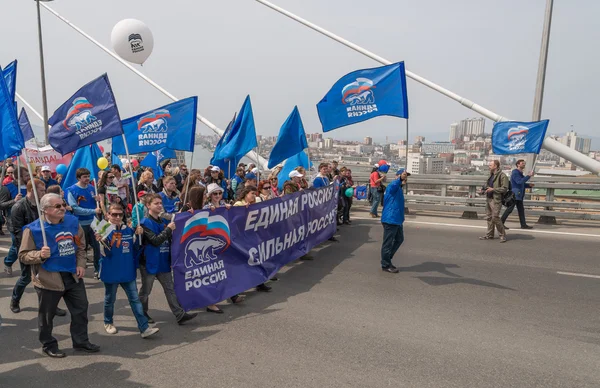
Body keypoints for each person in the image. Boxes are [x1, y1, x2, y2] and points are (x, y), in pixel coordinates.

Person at [19, 193, 100, 358]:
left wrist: (80, 264)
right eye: (57, 206)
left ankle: (81, 341)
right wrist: (39, 255)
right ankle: (48, 344)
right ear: (45, 210)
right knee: (47, 316)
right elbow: (23, 255)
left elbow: (80, 246)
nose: (63, 208)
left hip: (72, 276)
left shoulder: (72, 222)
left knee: (81, 310)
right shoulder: (33, 229)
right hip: (49, 279)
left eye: (62, 204)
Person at [97, 203, 160, 338]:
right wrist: (102, 242)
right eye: (114, 214)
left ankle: (144, 328)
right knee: (110, 299)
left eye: (120, 214)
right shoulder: (102, 228)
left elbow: (135, 249)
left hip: (127, 270)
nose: (117, 217)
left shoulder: (128, 229)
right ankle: (108, 322)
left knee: (135, 300)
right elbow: (105, 253)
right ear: (108, 214)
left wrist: (139, 236)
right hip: (111, 270)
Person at [9, 179, 68, 316]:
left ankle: (51, 305)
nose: (44, 192)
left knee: (49, 277)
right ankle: (15, 300)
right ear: (32, 191)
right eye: (41, 190)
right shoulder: (18, 207)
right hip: (29, 248)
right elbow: (17, 232)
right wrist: (28, 250)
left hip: (45, 247)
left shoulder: (41, 205)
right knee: (26, 277)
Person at [139, 194, 197, 324]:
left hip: (163, 261)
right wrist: (169, 230)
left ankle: (179, 314)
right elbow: (155, 241)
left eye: (160, 203)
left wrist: (187, 213)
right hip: (150, 262)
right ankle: (142, 313)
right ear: (148, 206)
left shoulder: (163, 220)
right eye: (156, 203)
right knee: (146, 291)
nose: (160, 205)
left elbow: (177, 218)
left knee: (170, 289)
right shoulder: (144, 223)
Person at [66, 168, 103, 279]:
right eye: (85, 177)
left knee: (98, 247)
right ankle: (79, 269)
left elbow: (98, 206)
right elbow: (75, 208)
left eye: (88, 176)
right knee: (82, 248)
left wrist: (99, 200)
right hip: (80, 224)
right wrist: (93, 211)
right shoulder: (71, 190)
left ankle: (98, 270)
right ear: (78, 178)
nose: (87, 178)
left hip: (94, 223)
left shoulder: (92, 188)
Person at [233, 186, 272, 292]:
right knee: (245, 262)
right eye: (252, 193)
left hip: (253, 235)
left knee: (256, 259)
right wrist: (243, 211)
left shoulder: (254, 205)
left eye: (255, 194)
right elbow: (235, 220)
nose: (254, 196)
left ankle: (260, 282)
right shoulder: (238, 205)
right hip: (242, 237)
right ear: (246, 194)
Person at [380, 169, 410, 273]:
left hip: (397, 219)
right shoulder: (392, 186)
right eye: (403, 175)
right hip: (390, 219)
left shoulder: (398, 188)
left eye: (406, 176)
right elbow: (393, 186)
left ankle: (387, 257)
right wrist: (400, 179)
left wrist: (401, 183)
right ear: (397, 176)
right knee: (387, 243)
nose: (405, 178)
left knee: (399, 239)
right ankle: (385, 264)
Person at [479, 160, 509, 243]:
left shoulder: (502, 176)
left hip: (496, 200)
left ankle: (502, 235)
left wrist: (493, 189)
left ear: (495, 166)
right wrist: (483, 189)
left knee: (495, 217)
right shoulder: (491, 175)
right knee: (489, 217)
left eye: (490, 165)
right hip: (489, 199)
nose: (489, 166)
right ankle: (489, 235)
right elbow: (487, 185)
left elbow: (505, 188)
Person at [501, 159, 534, 230]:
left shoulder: (520, 173)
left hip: (519, 195)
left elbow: (521, 184)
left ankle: (523, 224)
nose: (524, 164)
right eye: (522, 163)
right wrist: (528, 176)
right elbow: (519, 182)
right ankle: (501, 223)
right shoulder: (515, 172)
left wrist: (529, 186)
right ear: (518, 164)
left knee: (521, 210)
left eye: (524, 163)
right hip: (515, 195)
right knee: (509, 209)